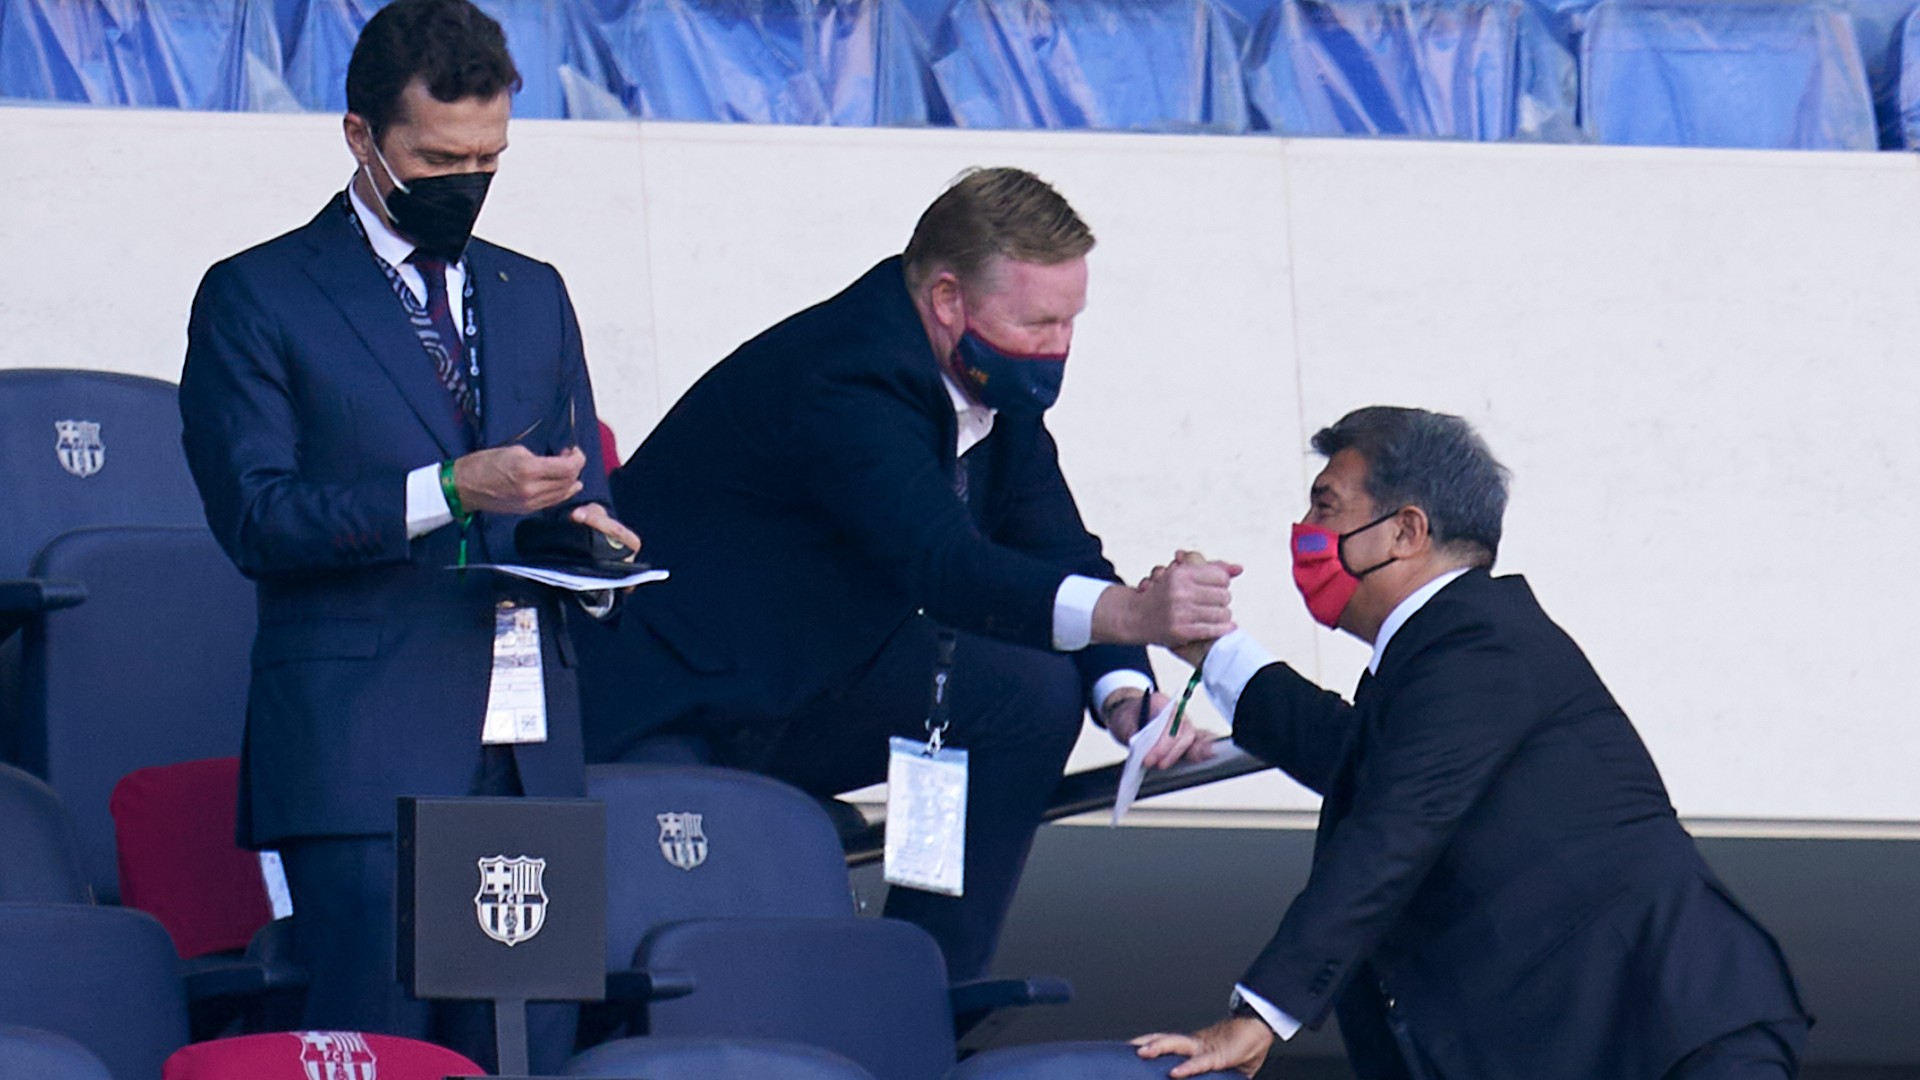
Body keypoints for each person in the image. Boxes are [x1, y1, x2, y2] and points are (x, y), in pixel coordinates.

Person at [578, 167, 1233, 980]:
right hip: (677, 704)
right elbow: (943, 566)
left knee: (1027, 694)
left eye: (1072, 321)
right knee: (687, 970)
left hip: (808, 681)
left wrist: (1127, 693)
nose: (1060, 346)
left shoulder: (993, 386)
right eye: (1039, 321)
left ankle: (921, 991)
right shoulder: (846, 371)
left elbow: (1056, 547)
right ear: (950, 299)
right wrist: (1132, 615)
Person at [177, 0, 636, 1067]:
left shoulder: (533, 291)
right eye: (436, 158)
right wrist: (449, 488)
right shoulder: (258, 294)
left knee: (528, 1047)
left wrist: (596, 541)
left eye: (489, 159)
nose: (465, 183)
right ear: (359, 137)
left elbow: (576, 483)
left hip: (529, 747)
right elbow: (256, 517)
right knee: (376, 1046)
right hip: (359, 747)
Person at [1134, 406, 1808, 1080]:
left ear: (1405, 531)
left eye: (1325, 507)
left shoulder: (1479, 643)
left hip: (1669, 1032)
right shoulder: (1446, 657)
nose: (1305, 534)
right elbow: (1352, 758)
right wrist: (1211, 647)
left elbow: (1392, 827)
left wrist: (1260, 1014)